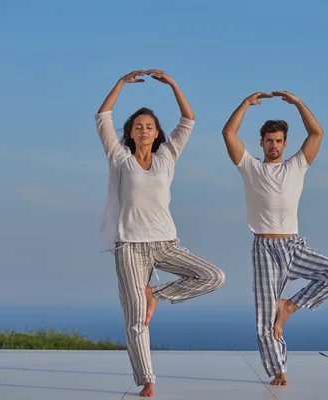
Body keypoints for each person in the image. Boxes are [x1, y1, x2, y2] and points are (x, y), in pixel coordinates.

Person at [95, 70, 225, 397]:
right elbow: (102, 117)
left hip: (165, 243)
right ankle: (148, 379)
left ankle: (158, 294)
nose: (143, 130)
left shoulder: (167, 156)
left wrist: (174, 86)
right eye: (138, 126)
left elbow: (188, 119)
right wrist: (121, 84)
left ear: (156, 134)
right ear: (130, 133)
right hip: (130, 247)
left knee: (213, 276)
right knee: (136, 318)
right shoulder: (119, 158)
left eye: (149, 126)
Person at [221, 91, 328, 386]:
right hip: (264, 248)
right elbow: (228, 132)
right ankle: (280, 370)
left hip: (292, 245)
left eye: (279, 140)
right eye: (269, 140)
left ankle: (289, 306)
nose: (274, 145)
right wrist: (244, 104)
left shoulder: (297, 165)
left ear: (285, 143)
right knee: (265, 318)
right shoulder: (250, 167)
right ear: (261, 142)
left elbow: (317, 132)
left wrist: (299, 103)